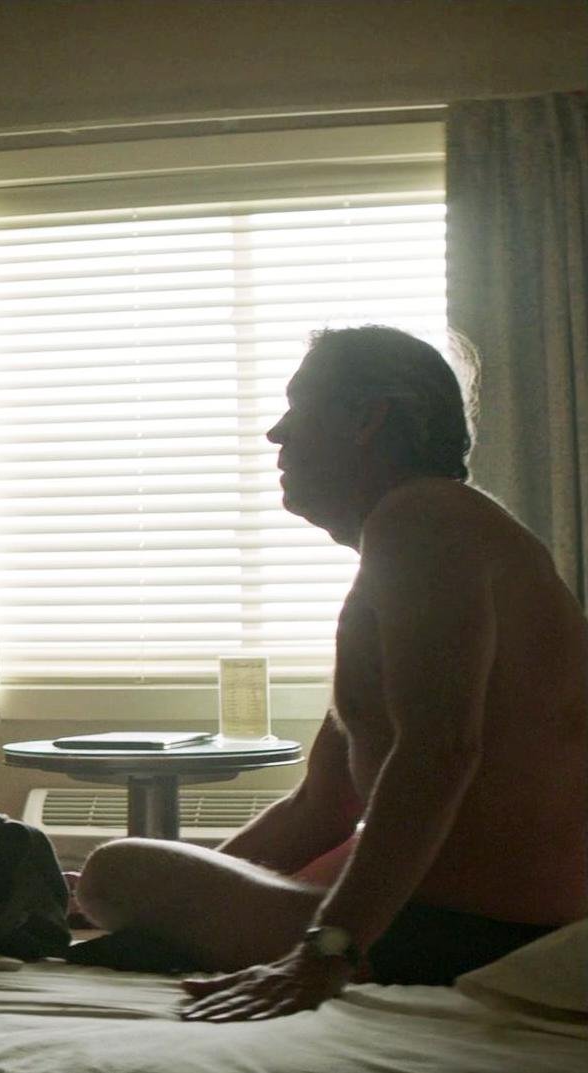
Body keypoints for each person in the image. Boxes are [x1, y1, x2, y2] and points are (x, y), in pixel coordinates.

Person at [71, 325, 588, 1021]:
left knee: (116, 871)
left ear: (366, 419)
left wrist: (329, 950)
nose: (275, 434)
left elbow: (440, 751)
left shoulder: (424, 517)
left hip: (477, 935)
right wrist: (182, 895)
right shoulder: (421, 540)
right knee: (124, 882)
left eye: (298, 407)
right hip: (445, 923)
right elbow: (321, 805)